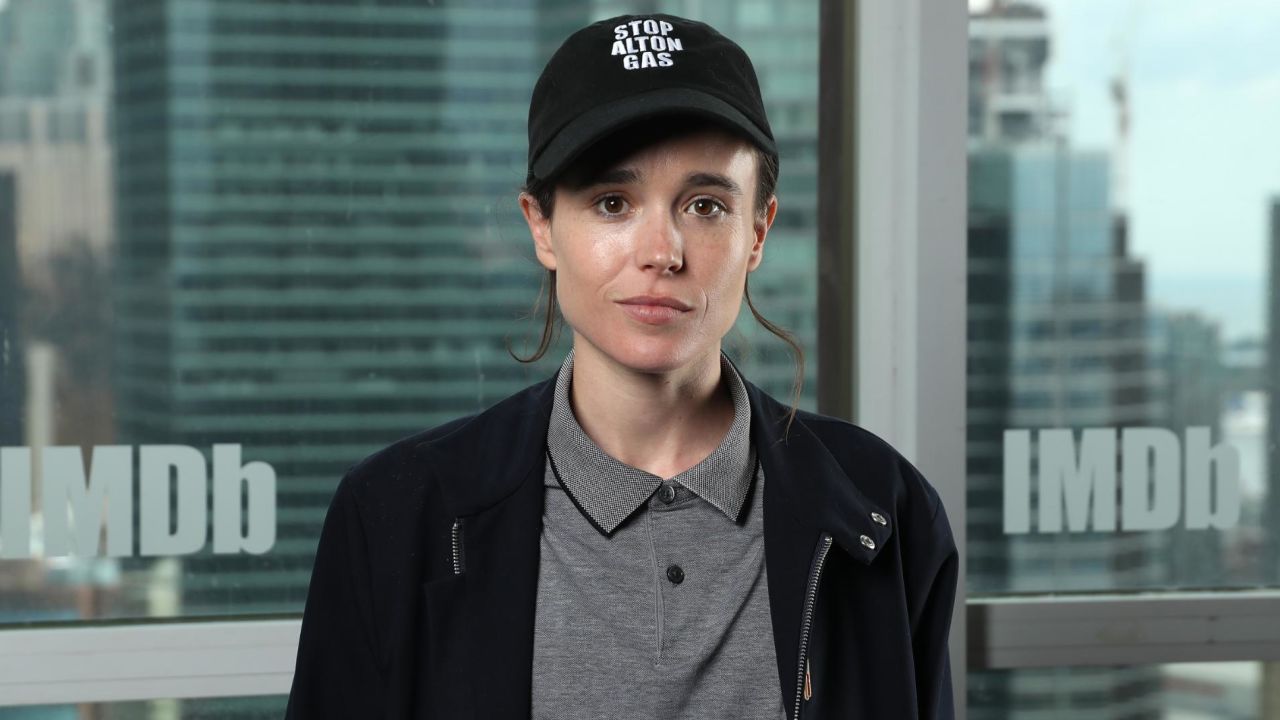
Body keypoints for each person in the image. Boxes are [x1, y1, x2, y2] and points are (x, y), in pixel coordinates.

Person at [286, 13, 957, 720]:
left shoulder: (884, 510)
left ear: (757, 231)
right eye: (612, 203)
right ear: (541, 226)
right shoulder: (393, 518)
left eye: (704, 205)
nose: (661, 251)